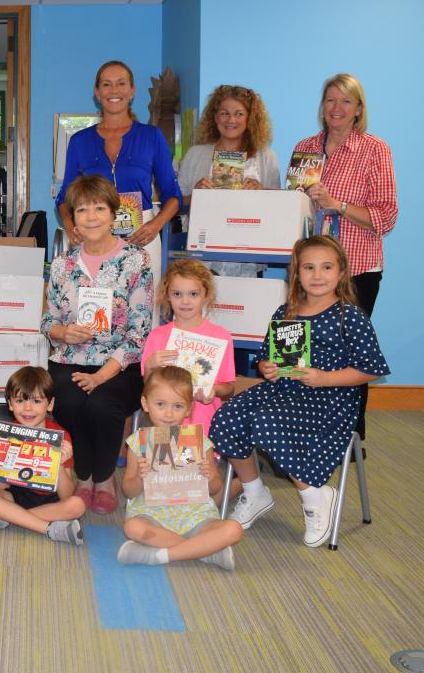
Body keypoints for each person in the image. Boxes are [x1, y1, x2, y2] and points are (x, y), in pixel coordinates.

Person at [209, 235, 389, 547]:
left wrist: (325, 378)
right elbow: (268, 357)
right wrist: (266, 367)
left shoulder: (350, 316)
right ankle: (254, 492)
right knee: (227, 416)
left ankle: (315, 496)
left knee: (266, 422)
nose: (317, 275)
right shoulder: (285, 312)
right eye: (309, 267)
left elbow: (371, 369)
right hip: (285, 391)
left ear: (341, 273)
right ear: (297, 273)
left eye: (326, 267)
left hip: (330, 398)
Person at [289, 73, 397, 433]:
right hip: (309, 269)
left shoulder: (375, 149)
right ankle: (301, 428)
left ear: (358, 109)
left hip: (357, 270)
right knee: (301, 346)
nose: (336, 108)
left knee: (351, 354)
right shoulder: (305, 147)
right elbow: (290, 206)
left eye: (345, 101)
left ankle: (350, 435)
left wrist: (339, 205)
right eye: (330, 100)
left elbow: (386, 215)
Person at [41, 174, 153, 515]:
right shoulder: (62, 265)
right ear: (72, 218)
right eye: (82, 209)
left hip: (119, 365)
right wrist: (63, 332)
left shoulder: (137, 260)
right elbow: (47, 322)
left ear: (113, 213)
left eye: (99, 208)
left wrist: (102, 375)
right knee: (70, 402)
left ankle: (103, 478)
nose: (91, 216)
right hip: (69, 359)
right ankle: (85, 475)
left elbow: (139, 332)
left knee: (101, 405)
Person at [55, 60, 180, 289]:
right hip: (94, 232)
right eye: (106, 84)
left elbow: (173, 194)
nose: (114, 91)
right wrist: (70, 223)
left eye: (121, 84)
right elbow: (64, 197)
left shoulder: (151, 137)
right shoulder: (79, 141)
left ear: (132, 91)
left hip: (142, 234)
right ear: (97, 92)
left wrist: (156, 225)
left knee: (142, 309)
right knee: (97, 307)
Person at [118, 366, 242, 570]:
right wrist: (140, 478)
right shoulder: (139, 443)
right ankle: (205, 551)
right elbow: (128, 490)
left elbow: (215, 489)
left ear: (189, 408)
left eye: (177, 406)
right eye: (160, 404)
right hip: (153, 515)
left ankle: (160, 555)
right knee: (133, 527)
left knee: (234, 530)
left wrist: (210, 476)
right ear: (145, 404)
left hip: (195, 515)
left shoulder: (199, 441)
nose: (168, 413)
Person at [0, 366, 85, 545]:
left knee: (77, 505)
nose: (28, 408)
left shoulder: (61, 437)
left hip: (50, 499)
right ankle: (48, 528)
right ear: (10, 404)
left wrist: (60, 465)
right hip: (15, 495)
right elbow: (0, 487)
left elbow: (66, 494)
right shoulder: (6, 433)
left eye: (37, 401)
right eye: (20, 400)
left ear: (50, 404)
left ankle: (7, 518)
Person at [141, 259, 236, 432]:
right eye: (177, 294)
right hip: (166, 420)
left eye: (193, 294)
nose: (185, 301)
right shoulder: (157, 336)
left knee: (198, 458)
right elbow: (148, 387)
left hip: (204, 419)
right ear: (167, 295)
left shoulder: (221, 336)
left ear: (206, 295)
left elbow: (229, 387)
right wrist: (149, 366)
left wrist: (214, 390)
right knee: (161, 458)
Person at [179, 85, 280, 197]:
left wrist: (262, 191)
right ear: (215, 117)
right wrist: (195, 193)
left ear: (249, 118)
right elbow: (176, 203)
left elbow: (279, 203)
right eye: (224, 113)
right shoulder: (194, 154)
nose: (231, 120)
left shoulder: (266, 156)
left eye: (239, 114)